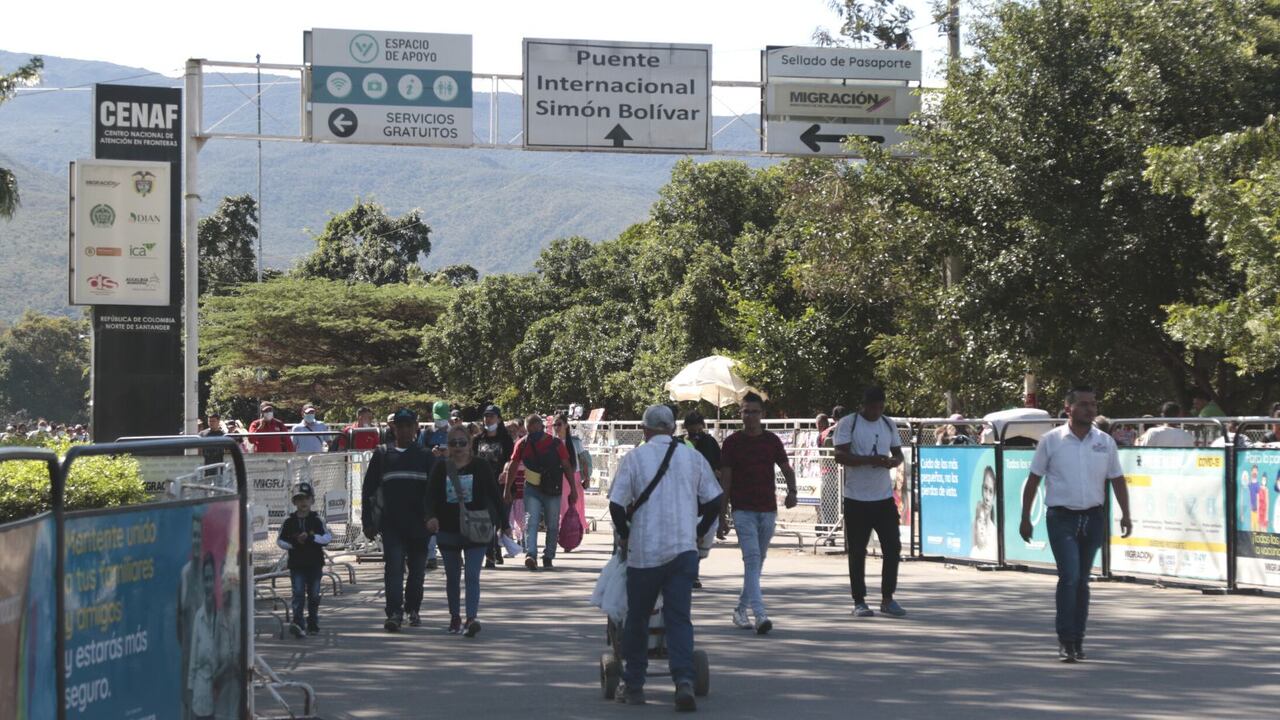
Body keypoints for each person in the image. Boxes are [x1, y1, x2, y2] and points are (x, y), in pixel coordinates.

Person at [608, 405, 722, 710]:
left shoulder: (633, 459)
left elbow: (617, 506)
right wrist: (698, 530)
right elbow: (715, 500)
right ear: (672, 429)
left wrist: (625, 533)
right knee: (678, 618)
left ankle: (634, 685)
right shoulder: (693, 457)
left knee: (637, 618)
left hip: (645, 553)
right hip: (683, 551)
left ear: (645, 430)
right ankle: (683, 681)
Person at [1019, 385, 1132, 662]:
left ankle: (1078, 638)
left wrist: (1126, 514)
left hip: (1093, 517)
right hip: (1061, 517)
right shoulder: (1052, 440)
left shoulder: (1104, 441)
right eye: (1083, 404)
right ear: (1068, 408)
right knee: (1069, 577)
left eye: (1093, 404)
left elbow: (1117, 479)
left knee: (1082, 580)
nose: (1090, 409)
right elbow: (1034, 478)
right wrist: (1025, 517)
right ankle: (1066, 639)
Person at [719, 392, 797, 634]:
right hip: (743, 510)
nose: (749, 416)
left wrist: (792, 492)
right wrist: (722, 515)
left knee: (757, 563)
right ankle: (760, 613)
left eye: (754, 411)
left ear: (762, 415)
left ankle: (740, 609)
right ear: (740, 414)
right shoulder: (732, 443)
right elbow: (726, 482)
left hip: (767, 510)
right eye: (745, 411)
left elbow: (787, 469)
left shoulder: (771, 441)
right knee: (752, 560)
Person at [833, 387, 907, 618]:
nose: (876, 412)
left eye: (880, 407)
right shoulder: (849, 423)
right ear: (862, 405)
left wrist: (893, 462)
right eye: (872, 407)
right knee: (857, 550)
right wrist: (869, 460)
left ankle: (888, 598)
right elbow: (840, 455)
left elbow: (899, 453)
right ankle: (859, 601)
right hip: (856, 498)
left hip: (883, 497)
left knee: (892, 547)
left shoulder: (888, 423)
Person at [426, 425, 502, 636]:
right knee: (452, 576)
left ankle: (471, 618)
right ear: (448, 446)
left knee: (471, 575)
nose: (458, 447)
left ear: (470, 444)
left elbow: (495, 495)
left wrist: (502, 523)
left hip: (476, 526)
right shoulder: (441, 467)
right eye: (453, 443)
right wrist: (430, 517)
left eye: (462, 442)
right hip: (448, 528)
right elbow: (430, 495)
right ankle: (454, 617)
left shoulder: (481, 466)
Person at [362, 408, 433, 632]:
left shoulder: (425, 456)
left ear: (415, 428)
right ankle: (394, 612)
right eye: (399, 426)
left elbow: (435, 492)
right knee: (393, 569)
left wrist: (433, 518)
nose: (403, 430)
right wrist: (368, 522)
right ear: (394, 428)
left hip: (419, 526)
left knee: (417, 571)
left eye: (408, 425)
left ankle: (413, 608)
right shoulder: (382, 454)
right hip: (391, 524)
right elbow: (369, 490)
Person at [503, 414, 578, 570]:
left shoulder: (556, 444)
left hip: (553, 489)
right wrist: (507, 489)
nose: (533, 434)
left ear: (542, 427)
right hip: (532, 488)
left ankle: (549, 555)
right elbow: (513, 466)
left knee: (552, 524)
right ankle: (531, 554)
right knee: (531, 521)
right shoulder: (522, 444)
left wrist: (573, 489)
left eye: (536, 430)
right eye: (530, 431)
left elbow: (566, 466)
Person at [277, 481, 332, 636]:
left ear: (312, 500)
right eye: (299, 499)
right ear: (294, 502)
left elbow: (327, 537)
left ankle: (313, 621)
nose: (303, 502)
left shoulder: (317, 520)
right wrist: (294, 543)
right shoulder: (289, 522)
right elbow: (280, 541)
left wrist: (311, 538)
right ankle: (298, 622)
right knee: (298, 592)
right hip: (297, 564)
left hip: (314, 563)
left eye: (306, 498)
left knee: (314, 594)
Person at [677, 411, 721, 589]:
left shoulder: (710, 443)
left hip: (704, 497)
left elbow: (719, 466)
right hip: (683, 495)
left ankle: (693, 571)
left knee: (700, 535)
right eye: (691, 427)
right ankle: (687, 572)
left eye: (698, 427)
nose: (695, 431)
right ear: (685, 427)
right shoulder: (679, 443)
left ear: (703, 426)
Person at [473, 405, 516, 569]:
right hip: (482, 486)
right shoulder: (478, 439)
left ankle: (495, 548)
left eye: (491, 416)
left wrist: (506, 469)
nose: (488, 419)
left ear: (498, 419)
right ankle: (490, 555)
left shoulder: (506, 440)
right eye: (485, 416)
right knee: (488, 520)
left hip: (501, 486)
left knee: (497, 521)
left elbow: (512, 460)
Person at [419, 401, 453, 570]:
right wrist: (429, 453)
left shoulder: (454, 433)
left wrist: (450, 453)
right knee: (431, 515)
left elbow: (466, 452)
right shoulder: (426, 433)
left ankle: (453, 553)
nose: (441, 422)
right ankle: (431, 555)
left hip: (450, 478)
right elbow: (417, 452)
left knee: (451, 516)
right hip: (431, 479)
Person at [186, 554, 218, 720]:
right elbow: (193, 659)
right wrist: (191, 690)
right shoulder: (199, 617)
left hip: (220, 695)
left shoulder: (223, 616)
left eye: (211, 579)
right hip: (201, 695)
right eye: (205, 579)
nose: (208, 584)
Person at [551, 411, 591, 544]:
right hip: (558, 478)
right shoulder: (551, 442)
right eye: (554, 425)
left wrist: (587, 478)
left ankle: (574, 536)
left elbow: (584, 460)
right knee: (562, 508)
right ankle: (563, 536)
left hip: (575, 477)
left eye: (559, 424)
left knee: (575, 507)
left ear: (566, 425)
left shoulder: (575, 442)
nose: (557, 427)